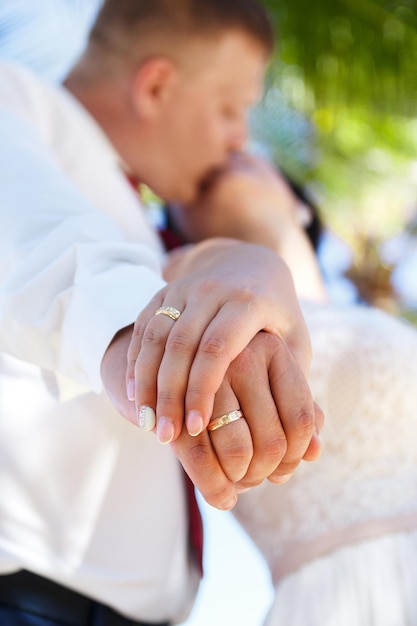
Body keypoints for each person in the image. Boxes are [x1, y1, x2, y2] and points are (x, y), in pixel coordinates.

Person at [0, 2, 323, 625]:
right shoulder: (15, 100)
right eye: (231, 109)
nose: (239, 141)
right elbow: (29, 232)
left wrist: (254, 267)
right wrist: (145, 338)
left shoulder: (148, 232)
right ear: (155, 85)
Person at [167, 153, 417, 625]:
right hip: (340, 602)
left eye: (246, 156)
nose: (226, 153)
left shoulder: (377, 319)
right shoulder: (187, 293)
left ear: (300, 205)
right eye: (190, 190)